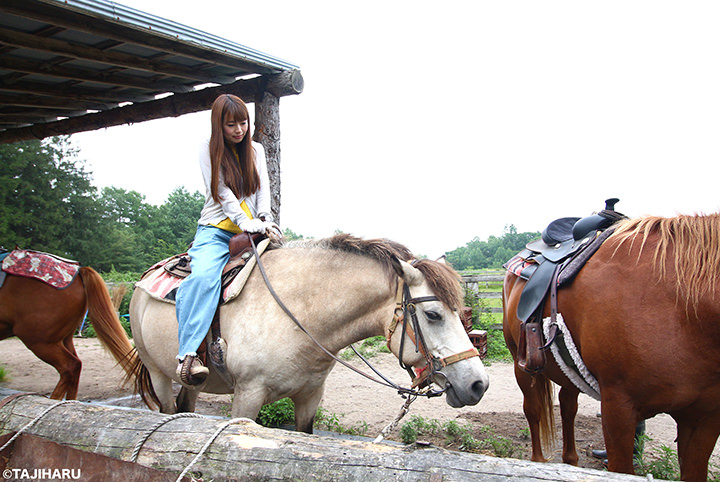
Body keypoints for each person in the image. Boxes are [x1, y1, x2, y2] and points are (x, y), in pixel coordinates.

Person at [175, 94, 279, 386]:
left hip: (253, 228)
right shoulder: (207, 150)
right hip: (216, 230)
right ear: (218, 125)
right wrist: (246, 222)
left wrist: (265, 218)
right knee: (205, 278)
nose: (239, 130)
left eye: (243, 123)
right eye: (231, 124)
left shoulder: (255, 150)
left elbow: (263, 190)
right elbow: (222, 194)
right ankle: (188, 355)